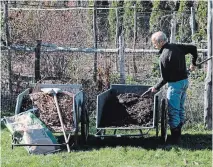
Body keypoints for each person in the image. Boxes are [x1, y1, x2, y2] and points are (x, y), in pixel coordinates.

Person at [150, 31, 198, 144]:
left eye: (155, 43)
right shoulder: (177, 47)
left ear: (161, 42)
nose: (154, 45)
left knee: (173, 111)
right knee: (180, 108)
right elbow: (193, 48)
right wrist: (193, 63)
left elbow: (165, 78)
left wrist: (156, 87)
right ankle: (179, 133)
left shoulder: (164, 56)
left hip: (175, 85)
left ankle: (175, 139)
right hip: (184, 82)